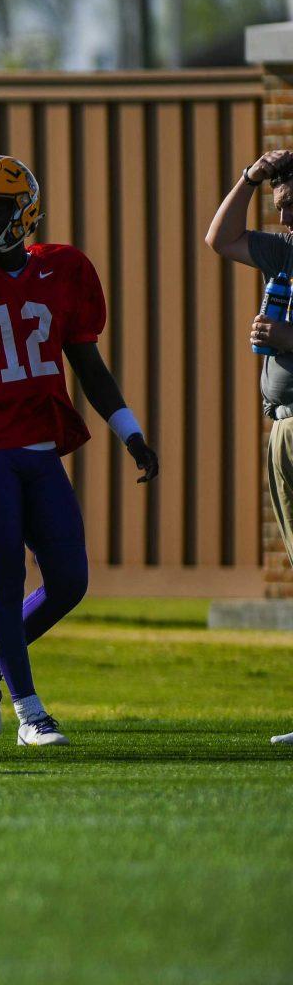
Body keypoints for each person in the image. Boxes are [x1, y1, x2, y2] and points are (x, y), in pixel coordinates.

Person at [0, 154, 158, 746]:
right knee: (5, 578)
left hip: (39, 446)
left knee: (70, 580)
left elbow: (88, 365)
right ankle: (29, 711)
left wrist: (131, 433)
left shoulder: (62, 269)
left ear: (26, 214)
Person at [201, 146, 293, 741]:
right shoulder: (284, 251)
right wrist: (249, 176)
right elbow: (220, 238)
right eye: (280, 186)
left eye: (288, 186)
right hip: (284, 425)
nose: (282, 195)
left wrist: (290, 334)